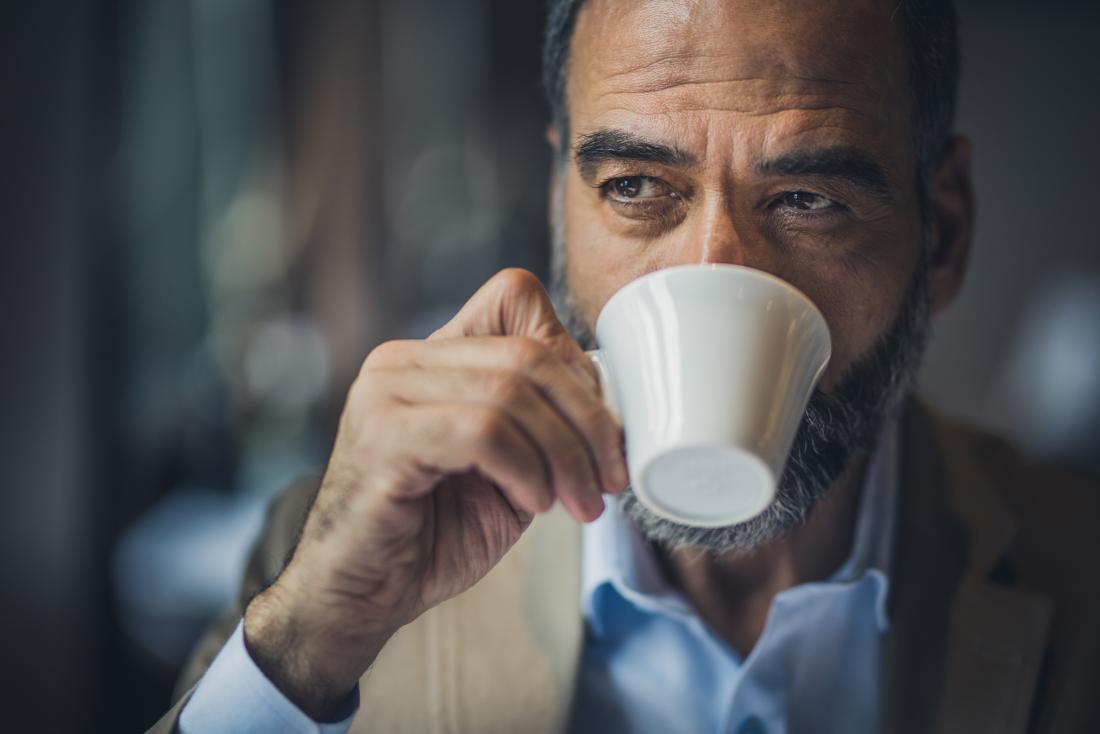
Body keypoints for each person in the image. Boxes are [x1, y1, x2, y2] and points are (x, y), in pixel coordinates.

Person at [150, 0, 1100, 732]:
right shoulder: (331, 557)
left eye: (808, 198)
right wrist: (311, 639)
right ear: (565, 206)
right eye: (636, 187)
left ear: (945, 237)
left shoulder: (1077, 570)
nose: (711, 272)